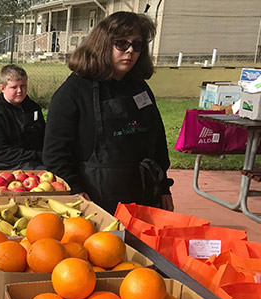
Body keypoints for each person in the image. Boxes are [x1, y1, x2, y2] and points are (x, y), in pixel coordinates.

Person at [43, 11, 174, 213]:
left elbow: (157, 140)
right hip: (96, 199)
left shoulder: (140, 87)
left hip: (144, 195)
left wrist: (164, 187)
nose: (130, 51)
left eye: (137, 45)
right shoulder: (73, 92)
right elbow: (55, 154)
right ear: (103, 44)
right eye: (121, 43)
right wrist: (75, 190)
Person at [0, 64, 46, 170]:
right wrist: (37, 155)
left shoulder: (33, 108)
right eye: (14, 87)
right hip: (5, 165)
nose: (20, 91)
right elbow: (1, 153)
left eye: (23, 86)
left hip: (34, 159)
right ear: (2, 88)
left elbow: (44, 136)